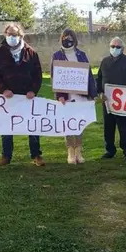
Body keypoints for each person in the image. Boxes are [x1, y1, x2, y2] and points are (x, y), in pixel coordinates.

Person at [0, 23, 45, 167]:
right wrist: (2, 90)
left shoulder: (31, 52)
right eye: (9, 34)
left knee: (32, 126)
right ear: (5, 35)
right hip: (8, 97)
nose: (11, 37)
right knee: (7, 127)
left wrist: (33, 90)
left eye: (14, 34)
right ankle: (6, 156)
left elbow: (38, 74)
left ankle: (36, 155)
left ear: (21, 36)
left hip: (28, 97)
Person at [52, 29, 97, 164]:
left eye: (70, 38)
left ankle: (78, 150)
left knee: (78, 124)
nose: (68, 40)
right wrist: (60, 95)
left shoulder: (81, 55)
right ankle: (70, 151)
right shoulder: (57, 55)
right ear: (61, 39)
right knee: (68, 124)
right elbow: (55, 76)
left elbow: (89, 75)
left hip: (81, 96)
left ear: (74, 39)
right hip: (66, 97)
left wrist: (92, 94)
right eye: (65, 38)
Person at [96, 36, 126, 161]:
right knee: (108, 126)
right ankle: (109, 150)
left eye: (118, 47)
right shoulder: (104, 61)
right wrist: (100, 92)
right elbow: (99, 78)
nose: (115, 48)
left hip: (123, 100)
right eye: (113, 46)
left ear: (122, 49)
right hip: (107, 100)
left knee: (123, 126)